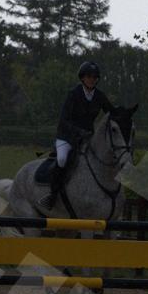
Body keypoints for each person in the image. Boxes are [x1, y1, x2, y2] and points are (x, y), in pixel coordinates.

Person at [45, 61, 113, 209]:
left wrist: (123, 114)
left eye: (94, 77)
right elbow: (64, 120)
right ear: (82, 78)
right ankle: (53, 194)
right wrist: (79, 132)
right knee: (62, 159)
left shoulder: (99, 96)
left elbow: (111, 112)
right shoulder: (73, 94)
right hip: (66, 137)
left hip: (87, 138)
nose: (92, 79)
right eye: (89, 77)